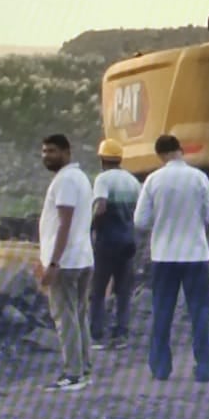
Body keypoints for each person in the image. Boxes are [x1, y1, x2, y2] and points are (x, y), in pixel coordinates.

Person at [133, 133, 209, 383]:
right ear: (180, 150)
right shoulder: (199, 178)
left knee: (162, 311)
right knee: (200, 311)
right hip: (195, 254)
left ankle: (161, 368)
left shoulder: (153, 180)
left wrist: (161, 220)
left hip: (164, 255)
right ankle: (204, 368)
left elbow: (140, 221)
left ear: (160, 155)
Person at [37, 134, 95, 392]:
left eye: (51, 151)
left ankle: (73, 373)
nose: (46, 156)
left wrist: (53, 263)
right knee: (78, 315)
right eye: (44, 151)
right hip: (82, 257)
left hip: (67, 261)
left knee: (66, 317)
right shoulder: (79, 178)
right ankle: (84, 368)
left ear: (66, 152)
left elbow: (64, 223)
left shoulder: (66, 181)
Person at [89, 138, 141, 351]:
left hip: (107, 241)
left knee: (98, 289)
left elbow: (100, 206)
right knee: (123, 290)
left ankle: (97, 334)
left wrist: (90, 227)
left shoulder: (102, 179)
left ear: (102, 159)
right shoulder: (132, 181)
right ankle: (121, 333)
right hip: (128, 241)